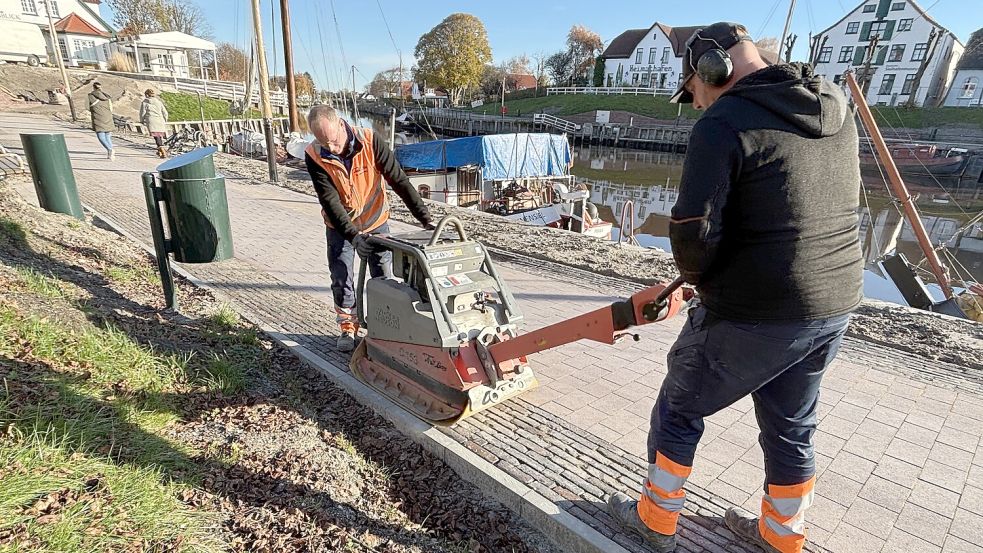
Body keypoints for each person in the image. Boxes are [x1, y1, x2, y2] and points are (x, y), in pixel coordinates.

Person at [606, 22, 863, 553]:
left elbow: (691, 232)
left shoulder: (723, 122)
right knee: (792, 424)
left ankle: (655, 520)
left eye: (693, 91)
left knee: (680, 405)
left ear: (712, 68)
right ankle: (781, 536)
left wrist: (699, 283)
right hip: (834, 302)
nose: (696, 103)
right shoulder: (835, 104)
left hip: (756, 311)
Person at [304, 105, 433, 352]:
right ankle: (348, 327)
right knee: (342, 276)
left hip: (376, 221)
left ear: (341, 124)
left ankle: (383, 326)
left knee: (382, 276)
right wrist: (353, 237)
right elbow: (330, 201)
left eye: (333, 141)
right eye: (323, 142)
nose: (331, 148)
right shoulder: (314, 154)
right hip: (340, 227)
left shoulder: (370, 141)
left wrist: (424, 217)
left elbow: (399, 180)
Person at [87, 82, 114, 160]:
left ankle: (110, 149)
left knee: (100, 136)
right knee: (107, 135)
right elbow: (111, 108)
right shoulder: (106, 96)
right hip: (108, 117)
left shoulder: (90, 96)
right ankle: (110, 153)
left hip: (98, 117)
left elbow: (87, 107)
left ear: (93, 87)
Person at [139, 89, 169, 158]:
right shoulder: (159, 102)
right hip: (160, 120)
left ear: (147, 95)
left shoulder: (145, 103)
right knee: (159, 136)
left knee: (156, 137)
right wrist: (165, 120)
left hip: (151, 120)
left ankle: (162, 151)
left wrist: (142, 120)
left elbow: (142, 113)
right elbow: (165, 112)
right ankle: (160, 152)